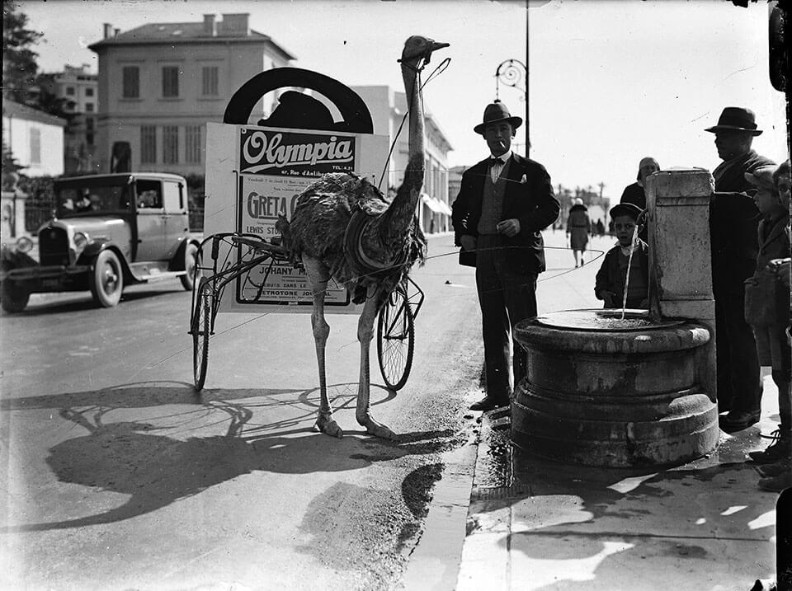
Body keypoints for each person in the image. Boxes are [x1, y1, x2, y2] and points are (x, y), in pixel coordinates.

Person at [452, 100, 560, 412]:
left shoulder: (533, 171)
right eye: (491, 130)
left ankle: (525, 394)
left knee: (522, 325)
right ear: (484, 136)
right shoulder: (474, 174)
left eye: (503, 128)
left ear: (513, 133)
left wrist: (521, 224)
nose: (498, 135)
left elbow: (551, 209)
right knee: (492, 324)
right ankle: (498, 394)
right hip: (485, 256)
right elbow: (459, 211)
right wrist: (464, 234)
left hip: (519, 255)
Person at [706, 106, 775, 432]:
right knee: (726, 335)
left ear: (745, 138)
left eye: (725, 135)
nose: (717, 141)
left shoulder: (760, 168)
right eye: (718, 135)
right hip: (724, 267)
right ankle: (730, 398)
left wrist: (708, 197)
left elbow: (751, 205)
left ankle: (748, 406)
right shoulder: (723, 169)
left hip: (744, 266)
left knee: (743, 338)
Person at [745, 161, 791, 493]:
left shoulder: (785, 225)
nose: (755, 198)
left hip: (784, 313)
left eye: (760, 191)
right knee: (779, 375)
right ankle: (786, 447)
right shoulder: (766, 225)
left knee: (787, 378)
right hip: (770, 311)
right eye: (783, 188)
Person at [594, 202, 649, 309]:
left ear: (640, 229)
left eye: (628, 226)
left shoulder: (647, 253)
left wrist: (650, 299)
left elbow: (659, 282)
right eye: (618, 227)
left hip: (642, 307)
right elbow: (601, 279)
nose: (623, 230)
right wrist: (603, 293)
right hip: (618, 306)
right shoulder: (612, 255)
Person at [566, 198, 591, 267]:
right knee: (584, 246)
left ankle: (577, 263)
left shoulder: (572, 213)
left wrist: (567, 232)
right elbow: (589, 223)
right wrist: (589, 231)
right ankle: (582, 257)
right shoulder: (585, 213)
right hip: (583, 231)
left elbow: (569, 223)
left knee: (575, 248)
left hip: (575, 231)